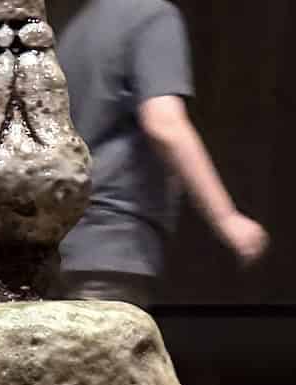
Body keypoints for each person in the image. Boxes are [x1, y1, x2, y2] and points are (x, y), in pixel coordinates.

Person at [56, 0, 269, 307]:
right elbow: (164, 123)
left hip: (60, 244)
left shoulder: (74, 26)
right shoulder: (152, 16)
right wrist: (227, 218)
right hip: (112, 244)